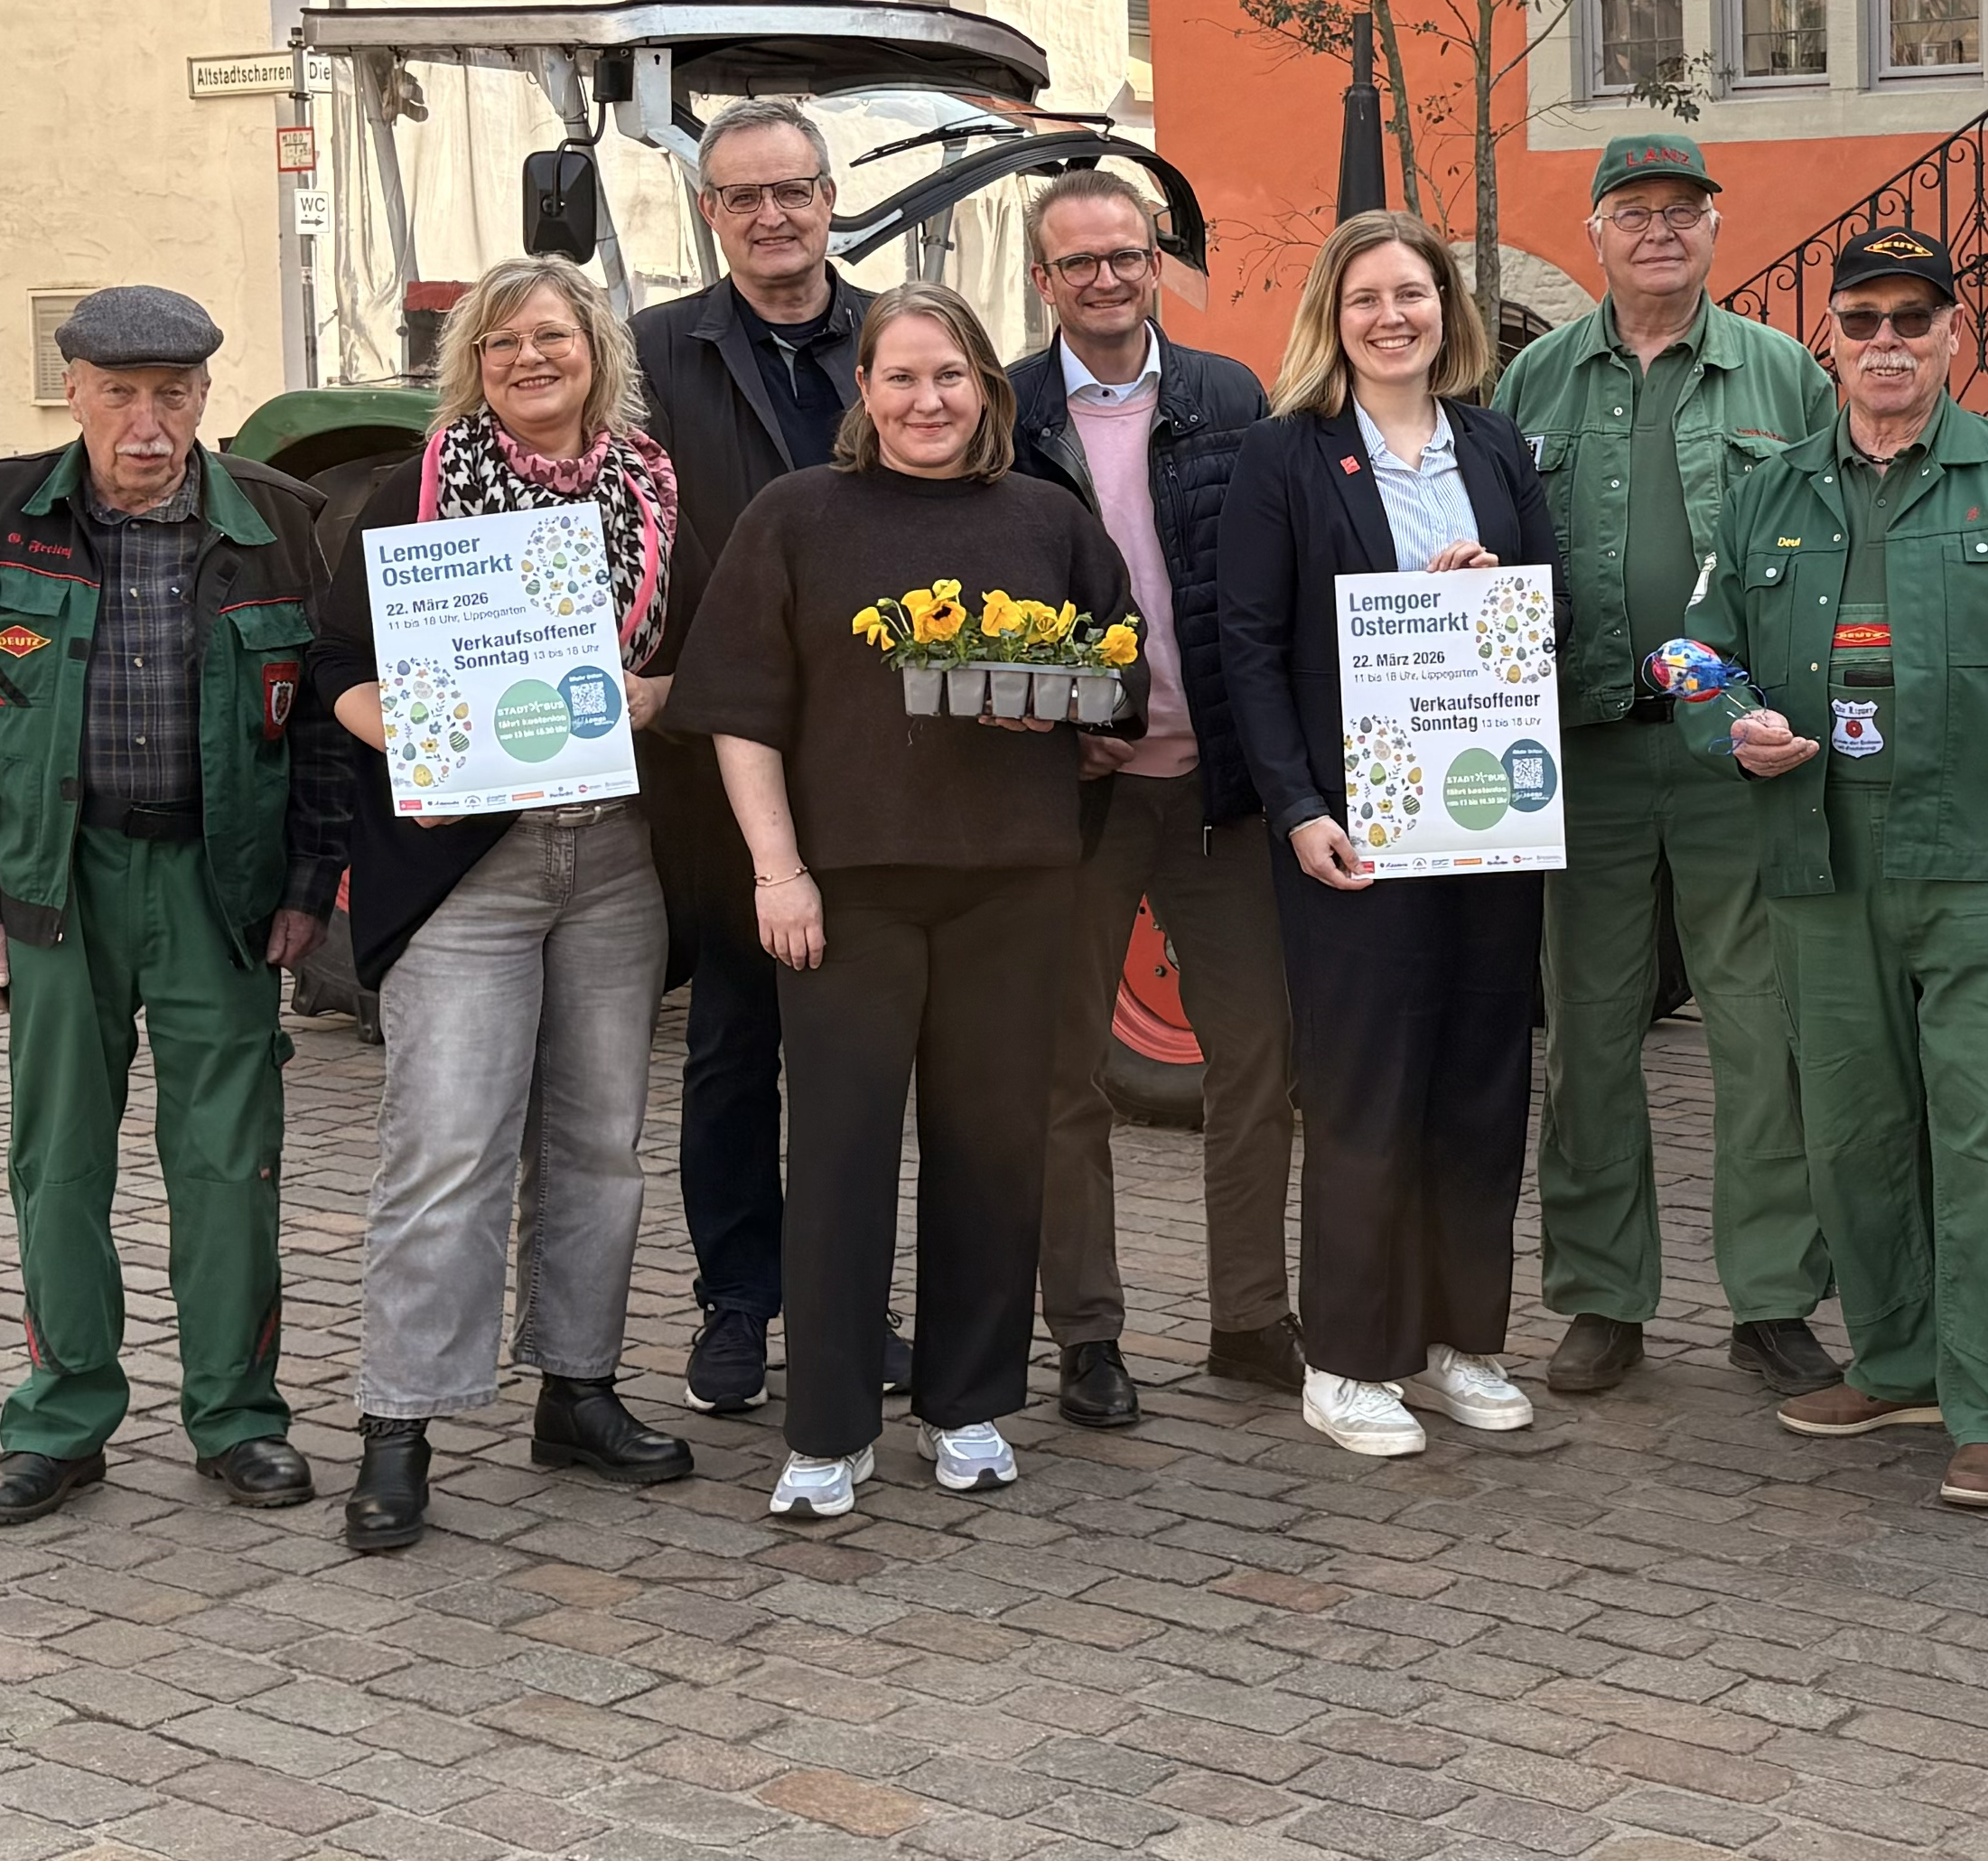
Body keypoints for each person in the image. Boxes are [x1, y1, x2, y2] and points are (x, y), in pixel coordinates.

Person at [666, 281, 1142, 1524]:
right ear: (862, 394)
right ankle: (826, 1428)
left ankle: (968, 1402)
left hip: (1014, 886)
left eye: (950, 376)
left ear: (985, 387)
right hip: (848, 893)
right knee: (837, 1153)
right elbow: (739, 713)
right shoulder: (796, 517)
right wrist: (778, 870)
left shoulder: (1048, 520)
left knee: (993, 1150)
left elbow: (1119, 691)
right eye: (899, 377)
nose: (926, 400)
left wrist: (1058, 705)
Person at [0, 285, 351, 1528]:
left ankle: (238, 1416)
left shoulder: (280, 522)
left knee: (229, 1160)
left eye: (174, 394)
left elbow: (322, 733)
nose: (148, 423)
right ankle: (61, 1418)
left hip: (219, 889)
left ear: (206, 397)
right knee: (57, 1160)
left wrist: (307, 889)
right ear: (76, 391)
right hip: (56, 879)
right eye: (120, 393)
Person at [1720, 227, 1988, 1511]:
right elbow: (1694, 648)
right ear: (1829, 340)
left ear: (1956, 335)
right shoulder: (1770, 492)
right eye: (1864, 319)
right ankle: (1896, 1358)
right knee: (1852, 1133)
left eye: (1914, 317)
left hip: (1987, 871)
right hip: (1824, 862)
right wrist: (1720, 717)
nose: (1888, 340)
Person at [309, 258, 697, 1550]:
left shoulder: (657, 491)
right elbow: (341, 675)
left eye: (551, 334)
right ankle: (400, 1422)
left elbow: (702, 661)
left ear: (595, 349)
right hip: (466, 869)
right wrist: (419, 742)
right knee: (447, 1149)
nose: (529, 358)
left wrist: (656, 695)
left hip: (616, 859)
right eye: (501, 343)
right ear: (471, 365)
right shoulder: (405, 499)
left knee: (599, 1145)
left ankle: (576, 1391)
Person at [1494, 135, 1843, 1398]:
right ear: (1593, 231)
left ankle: (1769, 1295)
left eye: (1682, 211)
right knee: (1588, 1032)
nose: (1659, 230)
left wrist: (1792, 712)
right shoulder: (1531, 377)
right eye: (1633, 210)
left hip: (1730, 756)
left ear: (1714, 227)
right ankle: (1599, 1293)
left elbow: (1830, 545)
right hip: (1578, 751)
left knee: (1762, 1028)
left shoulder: (1783, 375)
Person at [1211, 211, 1559, 1464]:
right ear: (1332, 315)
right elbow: (1247, 644)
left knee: (1479, 1080)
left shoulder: (1497, 444)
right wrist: (1298, 808)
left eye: (1410, 292)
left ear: (1445, 310)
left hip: (1482, 816)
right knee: (1364, 1089)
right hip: (1352, 829)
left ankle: (1465, 1339)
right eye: (1365, 297)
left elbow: (1545, 606)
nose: (1391, 315)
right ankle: (1351, 1357)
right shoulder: (1285, 455)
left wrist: (1492, 592)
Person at [1004, 172, 1299, 1429]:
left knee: (1259, 1058)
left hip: (1214, 779)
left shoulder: (1228, 394)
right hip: (1073, 789)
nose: (1108, 278)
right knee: (1062, 1069)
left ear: (1154, 259)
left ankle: (1249, 1316)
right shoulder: (1004, 412)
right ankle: (1088, 1332)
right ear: (1044, 280)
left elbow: (1270, 576)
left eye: (1126, 254)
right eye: (1080, 263)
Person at [631, 97, 901, 1421]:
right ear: (710, 212)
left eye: (791, 189)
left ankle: (852, 1298)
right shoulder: (652, 355)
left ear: (828, 195)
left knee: (860, 1042)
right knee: (735, 1038)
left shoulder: (903, 343)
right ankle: (738, 1300)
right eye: (743, 196)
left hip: (884, 754)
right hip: (713, 753)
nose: (772, 214)